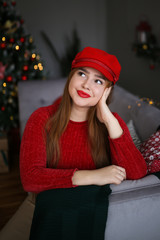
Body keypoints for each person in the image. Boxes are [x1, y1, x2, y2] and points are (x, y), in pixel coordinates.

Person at [20, 47, 147, 239]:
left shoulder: (112, 122)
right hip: (48, 214)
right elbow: (30, 178)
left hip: (92, 217)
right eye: (82, 74)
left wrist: (110, 121)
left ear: (107, 90)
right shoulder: (41, 118)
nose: (86, 85)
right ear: (71, 77)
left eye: (98, 80)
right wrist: (93, 176)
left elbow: (137, 172)